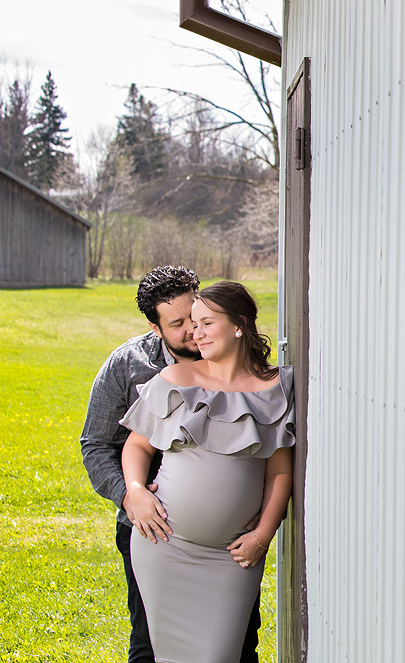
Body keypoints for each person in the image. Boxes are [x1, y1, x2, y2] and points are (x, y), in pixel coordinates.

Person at [81, 267, 263, 663]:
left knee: (240, 643)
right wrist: (131, 496)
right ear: (154, 326)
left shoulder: (241, 365)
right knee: (151, 644)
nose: (192, 332)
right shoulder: (128, 366)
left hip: (230, 544)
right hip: (153, 532)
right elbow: (96, 444)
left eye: (196, 318)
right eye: (177, 323)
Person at [119, 280, 294, 663]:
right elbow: (136, 445)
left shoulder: (276, 387)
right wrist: (135, 490)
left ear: (238, 325)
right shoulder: (176, 380)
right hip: (165, 547)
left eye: (205, 323)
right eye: (192, 325)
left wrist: (264, 534)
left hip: (231, 558)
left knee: (220, 656)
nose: (195, 334)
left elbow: (279, 473)